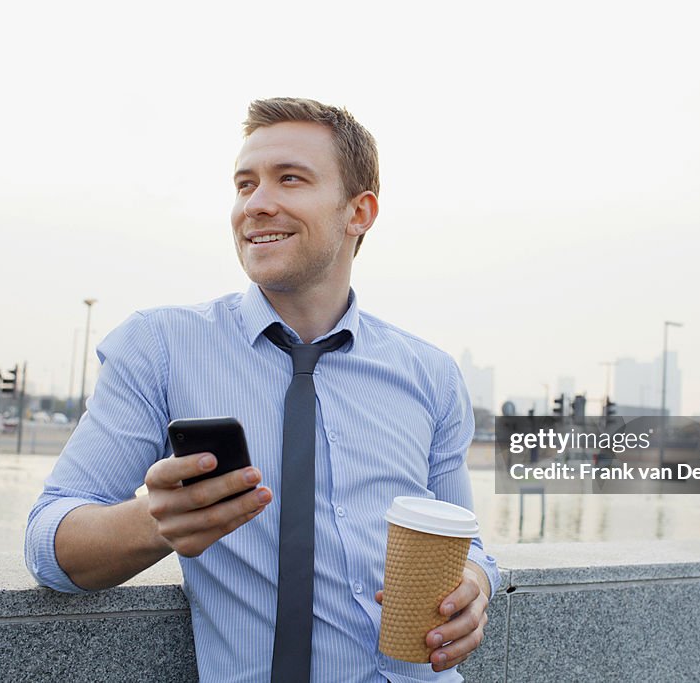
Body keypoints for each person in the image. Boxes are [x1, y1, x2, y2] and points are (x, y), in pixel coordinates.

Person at [26, 97, 499, 682]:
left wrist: (474, 583)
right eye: (244, 184)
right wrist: (154, 522)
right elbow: (48, 543)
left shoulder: (431, 374)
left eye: (290, 179)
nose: (256, 204)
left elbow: (466, 541)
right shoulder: (160, 347)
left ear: (360, 211)